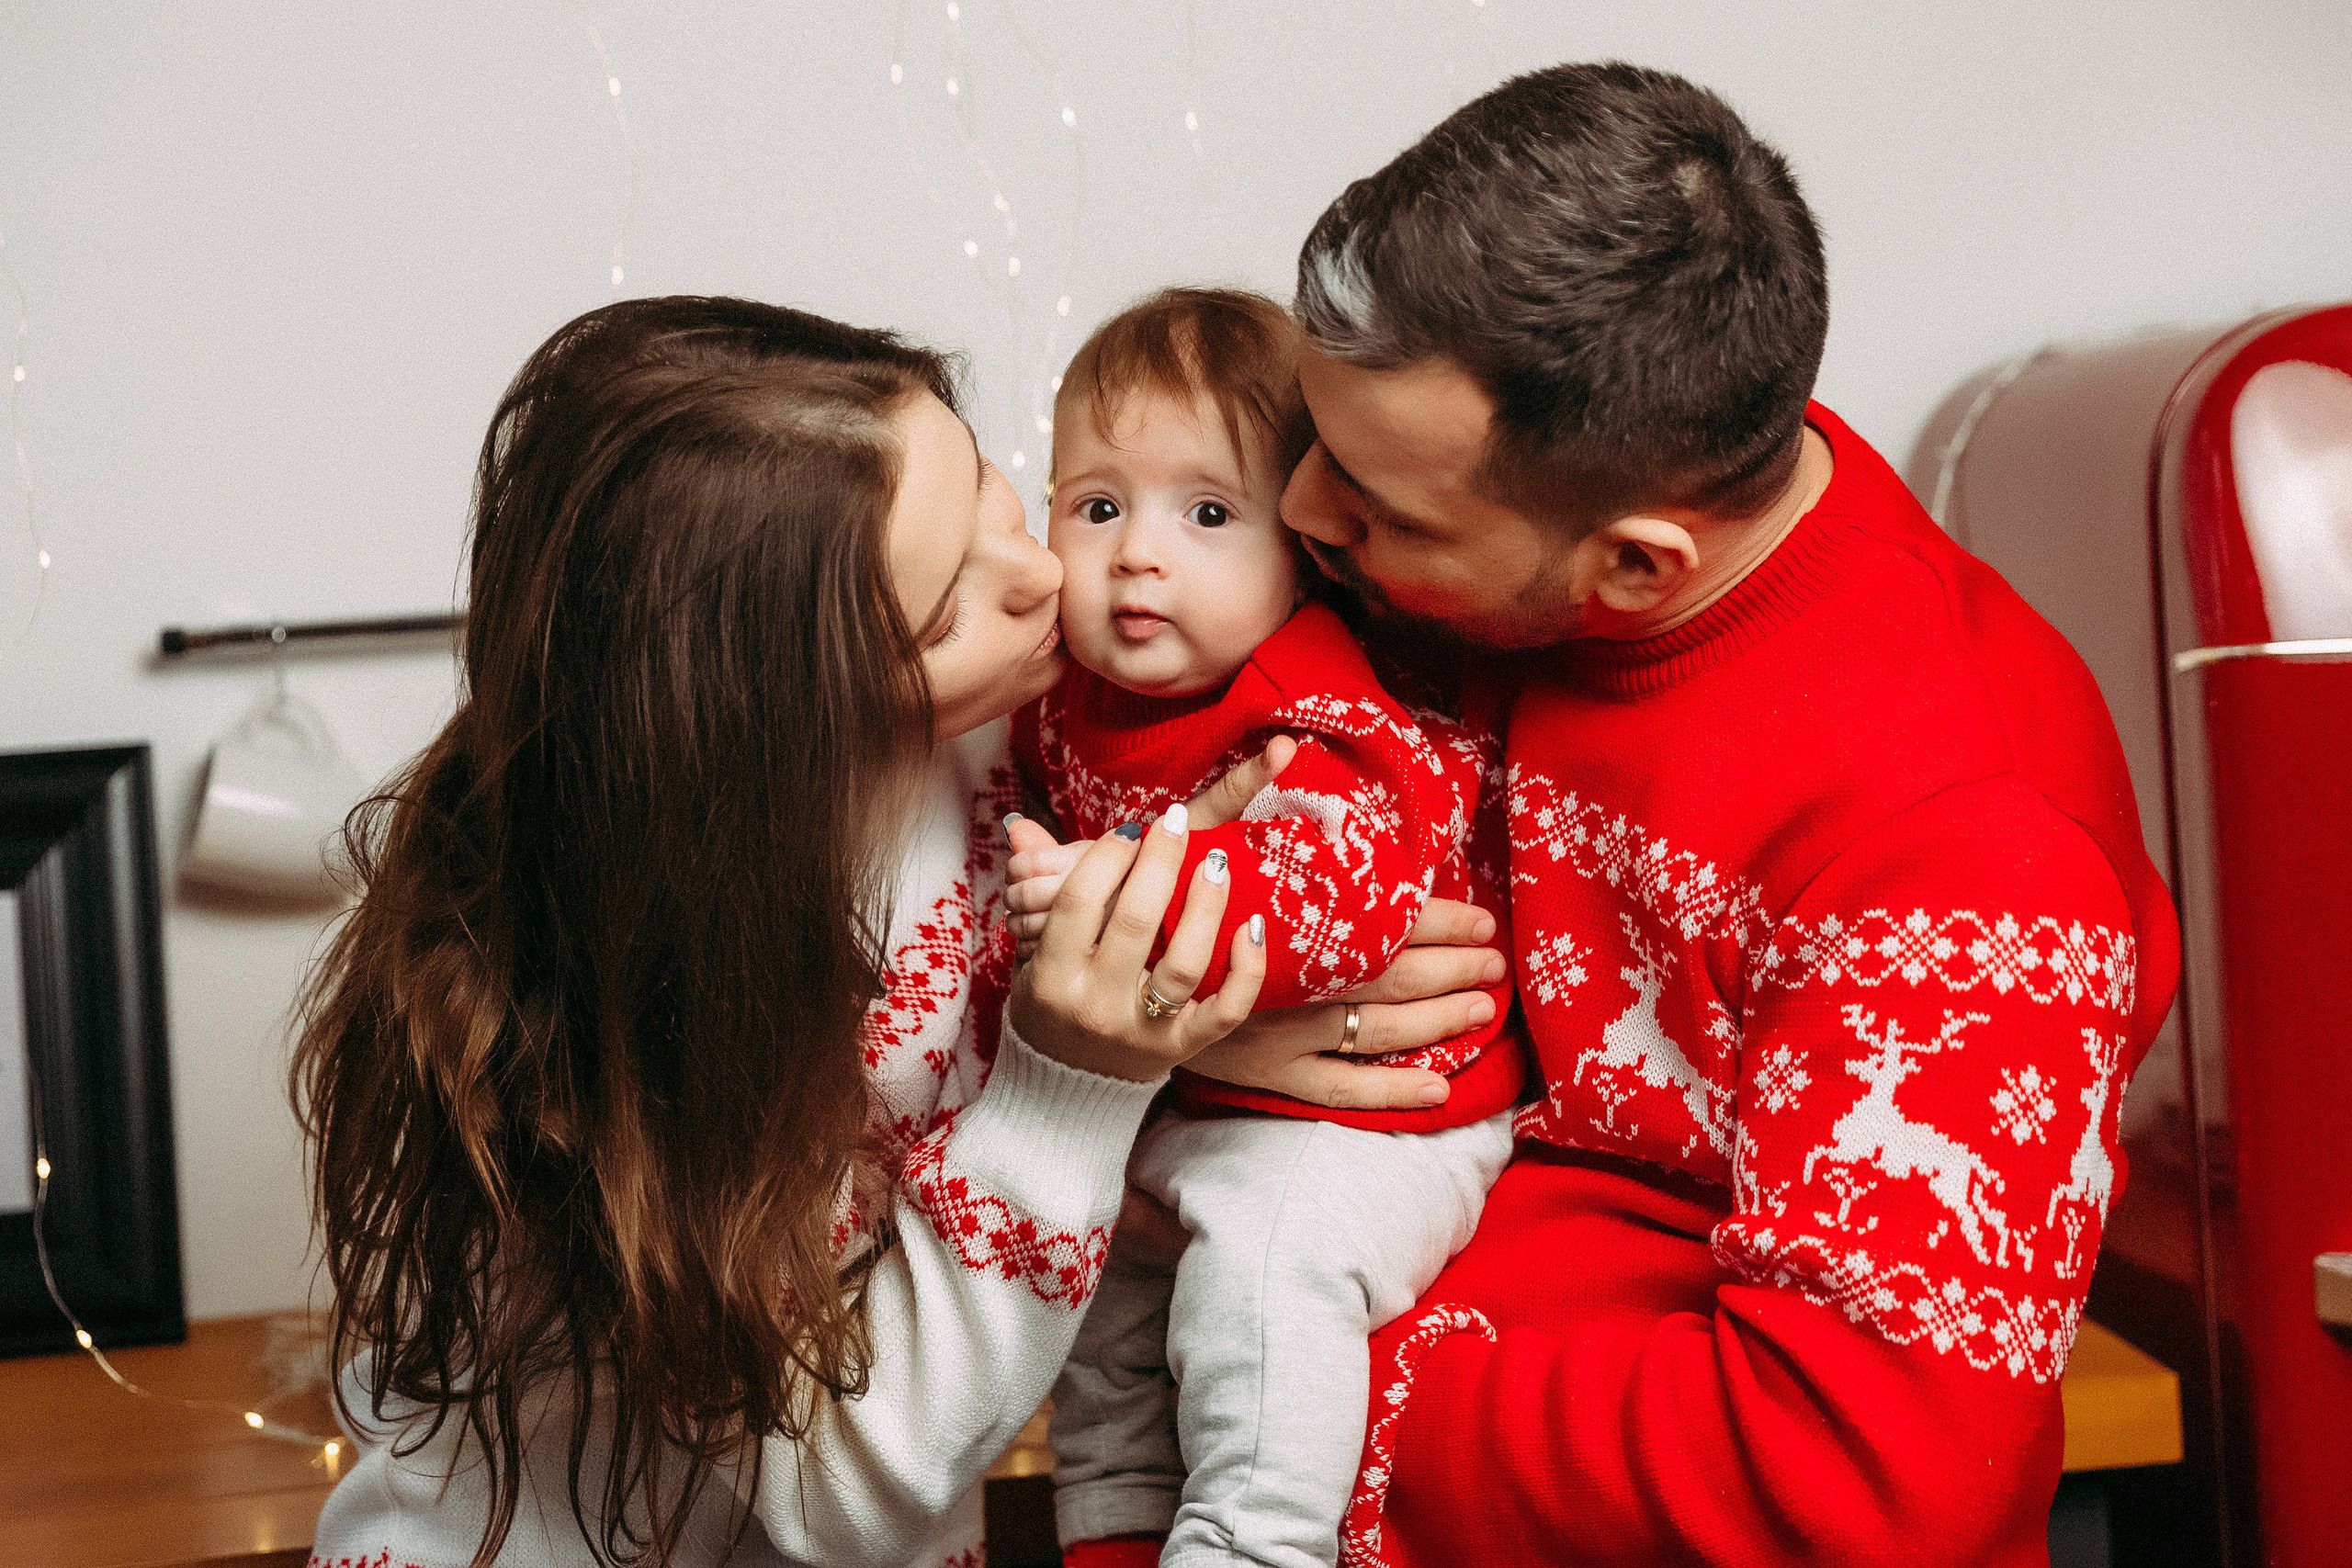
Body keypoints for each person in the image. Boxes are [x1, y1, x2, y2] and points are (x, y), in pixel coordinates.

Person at [1268, 63, 2183, 1567]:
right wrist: (1219, 1031)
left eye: (1384, 508)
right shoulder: (1574, 484)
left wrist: (1295, 1392)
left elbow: (1867, 1488)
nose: (1304, 511)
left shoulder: (1971, 846)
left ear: (1637, 564)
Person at [295, 295, 1302, 1568]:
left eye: (996, 491)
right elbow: (840, 1496)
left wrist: (1244, 1017)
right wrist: (1083, 1088)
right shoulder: (652, 977)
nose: (1049, 574)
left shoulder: (1021, 705)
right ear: (779, 721)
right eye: (945, 614)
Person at [1003, 288, 1521, 1568]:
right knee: (1095, 1303)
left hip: (1380, 1118)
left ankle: (1256, 1544)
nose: (1137, 555)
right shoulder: (1057, 707)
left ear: (1304, 549)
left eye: (1209, 514)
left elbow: (1340, 900)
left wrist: (1106, 891)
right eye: (1099, 506)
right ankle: (1116, 1536)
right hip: (1194, 1107)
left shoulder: (1316, 701)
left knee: (1263, 1281)